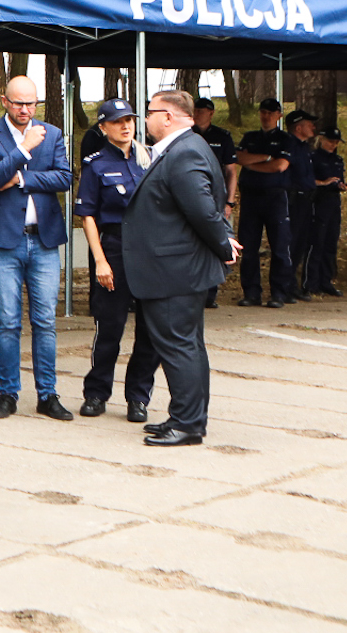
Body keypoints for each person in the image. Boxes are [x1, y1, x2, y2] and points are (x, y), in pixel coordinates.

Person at [121, 89, 240, 448]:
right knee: (187, 345)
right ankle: (187, 417)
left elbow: (202, 209)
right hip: (175, 266)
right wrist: (223, 237)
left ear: (168, 117)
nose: (145, 119)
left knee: (179, 347)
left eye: (150, 112)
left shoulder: (185, 151)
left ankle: (188, 424)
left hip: (175, 269)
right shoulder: (186, 147)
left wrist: (223, 243)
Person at [0, 74, 75, 420]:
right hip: (4, 241)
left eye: (31, 103)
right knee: (8, 321)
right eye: (18, 103)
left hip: (44, 239)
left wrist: (19, 178)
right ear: (5, 101)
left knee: (45, 320)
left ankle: (48, 394)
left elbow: (65, 177)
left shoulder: (53, 134)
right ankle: (8, 394)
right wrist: (23, 149)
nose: (25, 110)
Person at [75, 97, 157, 421]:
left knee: (150, 331)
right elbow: (88, 216)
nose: (125, 126)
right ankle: (96, 393)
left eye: (129, 120)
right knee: (109, 328)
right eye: (117, 121)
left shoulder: (149, 159)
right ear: (103, 127)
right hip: (114, 247)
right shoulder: (95, 164)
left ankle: (138, 397)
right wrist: (100, 260)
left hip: (149, 250)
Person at [234, 97, 297, 307]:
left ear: (279, 116)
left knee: (279, 246)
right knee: (249, 247)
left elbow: (279, 166)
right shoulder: (250, 137)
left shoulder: (285, 139)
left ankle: (279, 293)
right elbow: (239, 159)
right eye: (263, 112)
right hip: (251, 197)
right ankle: (251, 293)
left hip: (275, 197)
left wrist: (254, 162)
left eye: (271, 113)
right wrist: (267, 157)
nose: (266, 116)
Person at [193, 96, 240, 308]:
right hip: (193, 193)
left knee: (215, 240)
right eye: (195, 110)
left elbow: (231, 171)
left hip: (216, 196)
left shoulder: (222, 136)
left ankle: (211, 293)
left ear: (211, 113)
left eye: (202, 110)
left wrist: (229, 202)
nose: (198, 114)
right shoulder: (187, 134)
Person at [308, 127, 347, 296]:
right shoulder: (313, 157)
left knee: (330, 243)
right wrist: (323, 182)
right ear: (322, 139)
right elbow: (307, 180)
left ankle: (326, 280)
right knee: (317, 242)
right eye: (331, 141)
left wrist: (340, 185)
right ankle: (312, 282)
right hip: (318, 201)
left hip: (333, 202)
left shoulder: (337, 160)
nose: (333, 145)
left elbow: (339, 179)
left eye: (336, 142)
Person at [284, 109, 318, 301]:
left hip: (305, 200)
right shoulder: (290, 145)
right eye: (309, 123)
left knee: (300, 244)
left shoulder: (305, 147)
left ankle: (291, 285)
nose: (313, 127)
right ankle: (285, 286)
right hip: (293, 200)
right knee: (291, 243)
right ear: (298, 127)